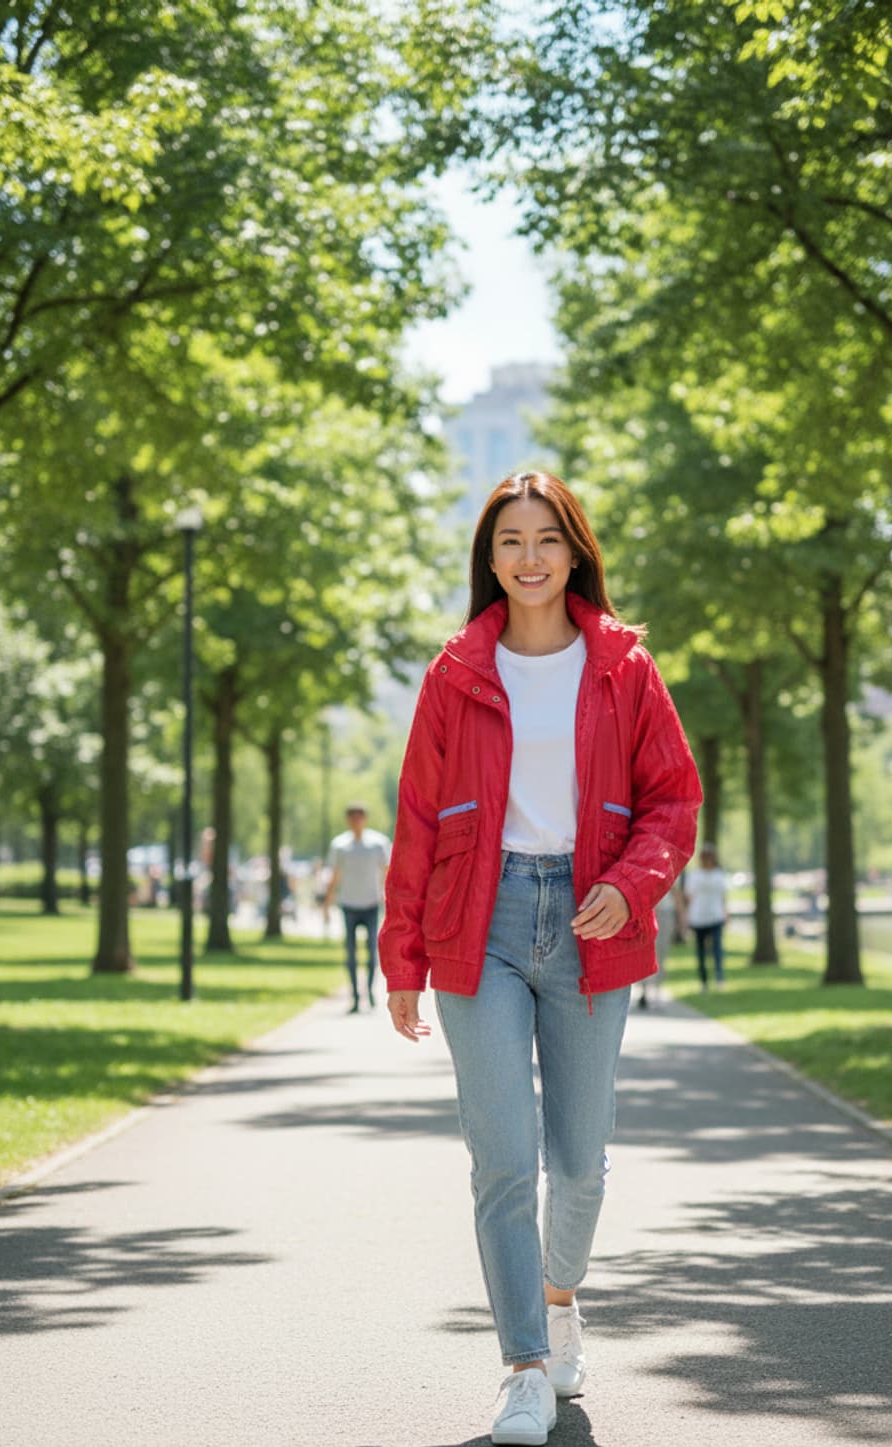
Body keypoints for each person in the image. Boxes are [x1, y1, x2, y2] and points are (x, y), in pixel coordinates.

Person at [380, 471, 702, 1446]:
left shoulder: (625, 667)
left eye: (545, 539)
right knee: (505, 1161)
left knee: (581, 1166)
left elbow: (674, 800)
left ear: (575, 550)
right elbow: (417, 820)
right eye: (509, 541)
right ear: (490, 557)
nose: (528, 557)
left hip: (593, 918)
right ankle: (524, 1365)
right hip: (476, 922)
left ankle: (561, 1297)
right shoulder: (454, 672)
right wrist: (402, 958)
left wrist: (634, 881)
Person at [325, 804, 391, 1013]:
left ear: (365, 818)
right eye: (352, 816)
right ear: (347, 819)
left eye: (359, 815)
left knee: (372, 950)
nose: (356, 820)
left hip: (371, 904)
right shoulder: (340, 845)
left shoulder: (378, 843)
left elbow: (387, 872)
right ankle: (354, 996)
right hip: (349, 904)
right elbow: (335, 876)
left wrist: (389, 898)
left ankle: (370, 991)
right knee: (351, 952)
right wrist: (327, 903)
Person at [683, 843, 728, 989]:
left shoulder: (719, 874)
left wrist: (726, 913)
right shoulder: (695, 875)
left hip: (716, 916)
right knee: (701, 950)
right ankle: (704, 981)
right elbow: (689, 896)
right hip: (698, 918)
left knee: (717, 948)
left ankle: (719, 977)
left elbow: (723, 896)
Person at [640, 876, 686, 1009]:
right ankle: (645, 990)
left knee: (661, 954)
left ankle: (657, 991)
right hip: (648, 912)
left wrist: (682, 918)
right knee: (646, 953)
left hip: (665, 914)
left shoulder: (669, 864)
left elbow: (676, 893)